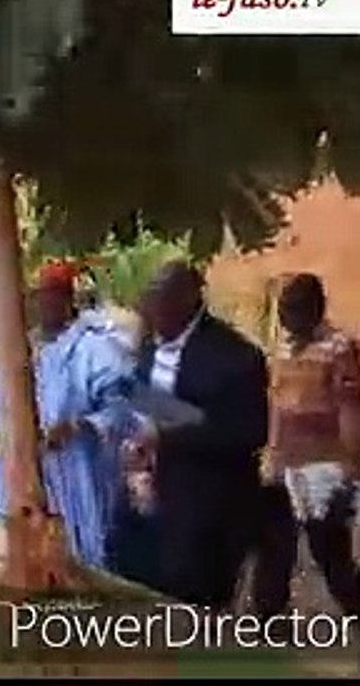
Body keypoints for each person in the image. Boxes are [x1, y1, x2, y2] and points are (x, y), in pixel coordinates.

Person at [0, 260, 134, 569]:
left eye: (52, 295)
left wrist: (78, 426)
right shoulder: (16, 348)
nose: (43, 303)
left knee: (71, 565)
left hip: (71, 475)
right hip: (12, 473)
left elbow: (122, 409)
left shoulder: (94, 349)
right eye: (37, 296)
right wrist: (4, 433)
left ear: (68, 298)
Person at [126, 260, 268, 607]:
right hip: (150, 499)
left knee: (197, 605)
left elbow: (250, 431)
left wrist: (168, 435)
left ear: (189, 299)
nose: (152, 309)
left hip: (209, 507)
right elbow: (150, 406)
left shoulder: (234, 357)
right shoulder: (148, 351)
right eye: (150, 299)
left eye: (162, 299)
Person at [251, 273, 360, 643]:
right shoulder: (282, 350)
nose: (287, 319)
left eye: (294, 311)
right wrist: (270, 461)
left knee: (332, 559)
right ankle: (269, 632)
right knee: (274, 556)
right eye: (284, 311)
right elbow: (276, 408)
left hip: (324, 473)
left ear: (316, 310)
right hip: (284, 469)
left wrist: (349, 474)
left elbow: (351, 411)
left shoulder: (342, 350)